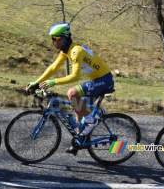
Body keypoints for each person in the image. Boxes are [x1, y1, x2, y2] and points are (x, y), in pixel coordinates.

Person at [26, 22, 114, 155]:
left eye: (54, 38)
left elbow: (74, 77)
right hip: (97, 80)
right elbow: (53, 68)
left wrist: (53, 82)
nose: (52, 41)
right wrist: (37, 82)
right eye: (52, 38)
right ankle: (79, 141)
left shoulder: (75, 51)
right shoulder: (66, 51)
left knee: (72, 93)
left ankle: (92, 121)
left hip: (104, 80)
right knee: (79, 108)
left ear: (64, 38)